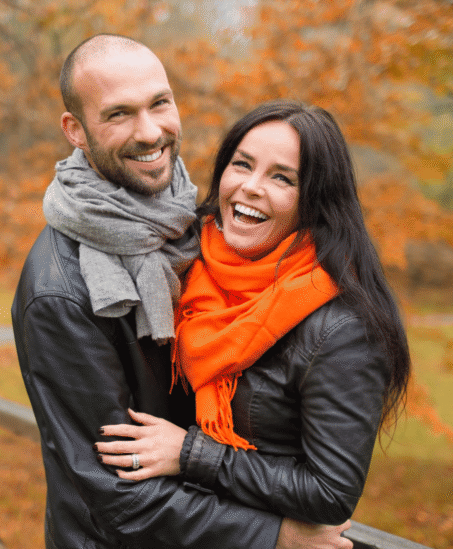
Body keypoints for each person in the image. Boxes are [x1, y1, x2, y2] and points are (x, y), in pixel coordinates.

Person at [11, 35, 352, 549]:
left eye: (159, 103)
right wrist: (274, 536)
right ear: (75, 131)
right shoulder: (61, 293)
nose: (150, 132)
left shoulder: (196, 227)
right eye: (119, 114)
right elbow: (115, 497)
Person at [95, 101, 411, 527]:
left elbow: (331, 493)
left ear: (315, 201)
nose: (251, 186)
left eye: (282, 177)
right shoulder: (190, 264)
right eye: (242, 165)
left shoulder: (342, 328)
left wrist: (190, 454)